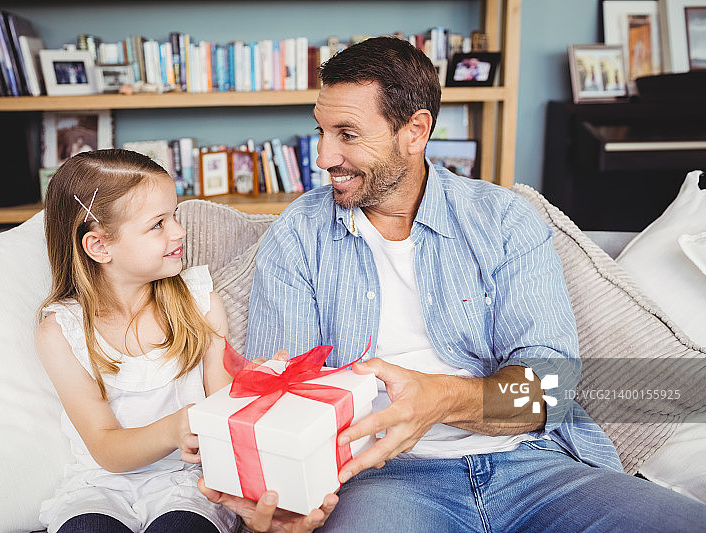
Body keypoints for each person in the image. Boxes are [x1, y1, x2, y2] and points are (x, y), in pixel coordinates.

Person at [200, 36, 706, 532]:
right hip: (383, 479)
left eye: (347, 134)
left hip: (533, 466)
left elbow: (551, 389)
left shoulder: (505, 220)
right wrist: (287, 496)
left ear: (416, 131)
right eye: (321, 130)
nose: (323, 156)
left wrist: (440, 398)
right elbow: (281, 393)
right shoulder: (299, 234)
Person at [35, 149, 237, 533]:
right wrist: (172, 429)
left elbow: (226, 407)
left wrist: (256, 388)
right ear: (99, 246)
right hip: (102, 486)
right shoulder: (62, 331)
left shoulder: (200, 303)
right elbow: (106, 448)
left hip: (188, 485)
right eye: (158, 224)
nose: (179, 231)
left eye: (173, 215)